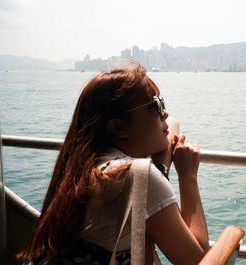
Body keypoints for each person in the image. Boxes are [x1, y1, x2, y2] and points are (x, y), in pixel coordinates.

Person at [17, 63, 209, 265]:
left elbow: (172, 123)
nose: (165, 114)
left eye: (162, 102)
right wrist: (188, 176)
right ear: (118, 127)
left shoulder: (85, 165)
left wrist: (161, 168)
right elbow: (199, 261)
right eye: (155, 107)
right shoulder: (139, 178)